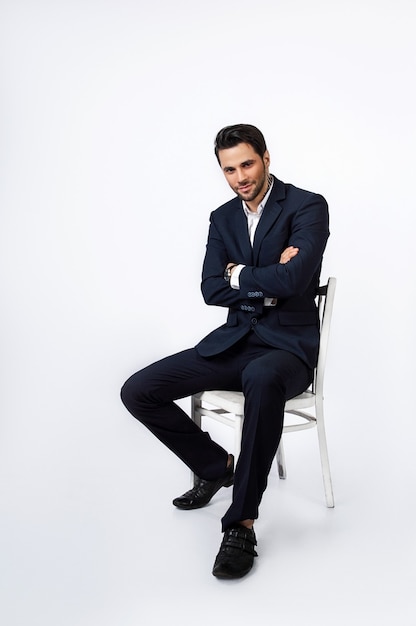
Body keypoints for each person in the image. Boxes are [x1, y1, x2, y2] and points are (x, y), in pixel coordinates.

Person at [121, 124, 329, 579]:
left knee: (261, 378)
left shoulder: (307, 206)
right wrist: (265, 277)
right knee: (138, 390)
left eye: (247, 164)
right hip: (235, 343)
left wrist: (240, 275)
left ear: (266, 158)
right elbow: (210, 289)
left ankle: (241, 523)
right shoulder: (223, 217)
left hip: (287, 351)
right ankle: (215, 465)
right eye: (229, 169)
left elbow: (295, 282)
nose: (240, 177)